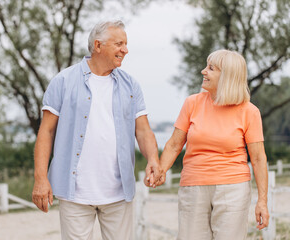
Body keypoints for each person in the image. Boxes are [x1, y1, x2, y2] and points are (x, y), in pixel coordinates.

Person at [31, 20, 162, 240]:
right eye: (119, 44)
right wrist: (40, 179)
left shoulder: (131, 86)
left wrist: (153, 159)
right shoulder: (63, 81)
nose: (125, 50)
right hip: (75, 194)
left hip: (119, 193)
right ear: (98, 46)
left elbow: (143, 131)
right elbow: (46, 132)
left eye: (126, 44)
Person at [157, 49, 269, 239]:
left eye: (211, 68)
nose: (203, 71)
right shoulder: (191, 103)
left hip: (233, 189)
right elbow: (174, 145)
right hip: (193, 188)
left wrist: (262, 202)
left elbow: (258, 158)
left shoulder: (249, 111)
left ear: (227, 76)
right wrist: (160, 170)